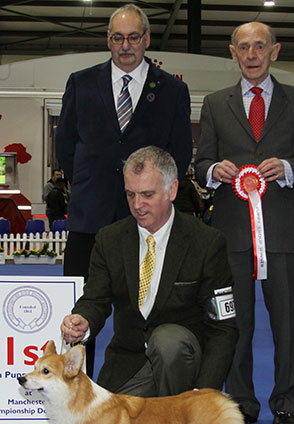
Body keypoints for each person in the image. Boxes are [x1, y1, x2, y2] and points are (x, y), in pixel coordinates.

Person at [56, 3, 192, 378]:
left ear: (147, 39)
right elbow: (65, 146)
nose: (125, 45)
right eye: (117, 37)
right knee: (81, 313)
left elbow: (178, 154)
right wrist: (86, 185)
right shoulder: (80, 83)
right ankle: (75, 392)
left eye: (133, 37)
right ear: (108, 40)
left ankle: (140, 386)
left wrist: (149, 197)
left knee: (146, 310)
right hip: (89, 220)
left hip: (146, 224)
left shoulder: (173, 90)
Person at [61, 146, 238, 399]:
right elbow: (95, 299)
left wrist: (205, 393)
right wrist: (83, 321)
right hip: (128, 364)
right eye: (130, 194)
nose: (137, 205)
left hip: (183, 366)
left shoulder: (207, 243)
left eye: (147, 194)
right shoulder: (109, 239)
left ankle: (180, 422)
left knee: (167, 341)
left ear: (172, 190)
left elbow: (223, 329)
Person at [195, 21, 294, 424]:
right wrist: (213, 170)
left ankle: (287, 401)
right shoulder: (215, 103)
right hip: (232, 230)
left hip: (286, 230)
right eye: (244, 47)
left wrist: (291, 168)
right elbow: (201, 162)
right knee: (234, 322)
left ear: (274, 51)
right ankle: (241, 401)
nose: (252, 54)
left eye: (260, 46)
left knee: (288, 323)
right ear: (233, 53)